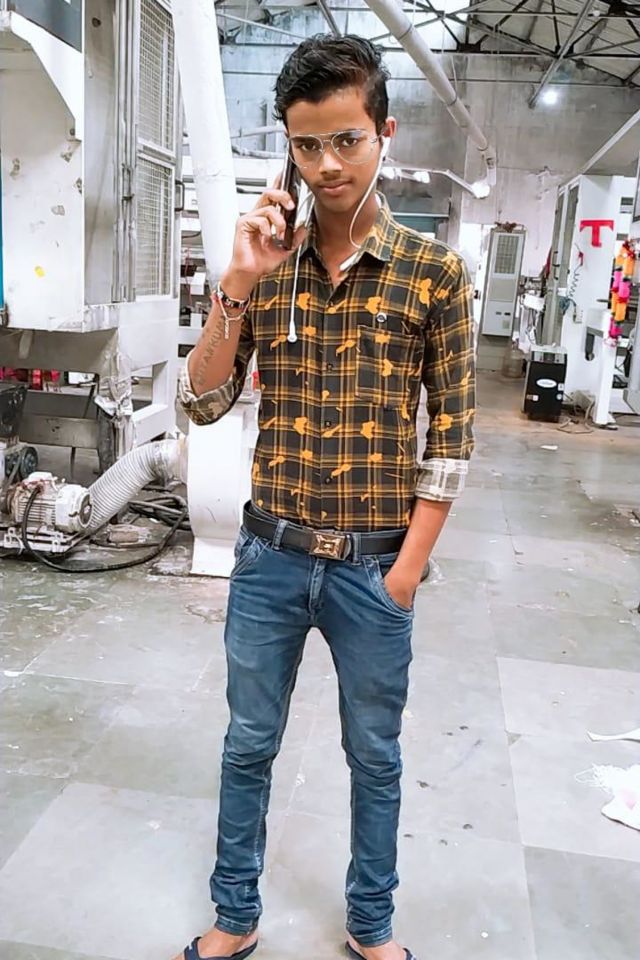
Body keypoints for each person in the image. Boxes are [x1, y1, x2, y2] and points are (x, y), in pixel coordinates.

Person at [175, 34, 475, 960]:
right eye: (307, 146)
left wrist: (405, 575)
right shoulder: (268, 268)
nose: (327, 165)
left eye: (347, 140)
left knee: (375, 757)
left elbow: (451, 439)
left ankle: (371, 925)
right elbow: (203, 401)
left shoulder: (434, 274)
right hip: (269, 559)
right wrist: (237, 282)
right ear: (288, 149)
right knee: (247, 744)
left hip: (373, 569)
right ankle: (235, 915)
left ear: (384, 134)